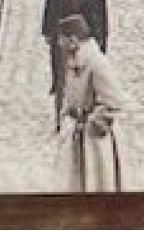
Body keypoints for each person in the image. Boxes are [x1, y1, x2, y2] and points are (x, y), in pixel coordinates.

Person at [52, 13, 126, 193]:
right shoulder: (73, 61)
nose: (59, 44)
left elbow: (114, 102)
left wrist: (93, 121)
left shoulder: (97, 64)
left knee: (97, 183)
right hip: (78, 136)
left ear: (73, 40)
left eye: (61, 39)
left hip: (95, 142)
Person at [41, 0, 109, 124]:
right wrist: (48, 33)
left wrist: (102, 39)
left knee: (90, 74)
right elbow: (50, 8)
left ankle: (89, 111)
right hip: (63, 37)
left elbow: (102, 11)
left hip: (87, 37)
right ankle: (60, 114)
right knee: (63, 75)